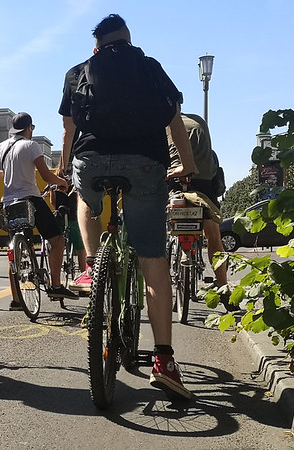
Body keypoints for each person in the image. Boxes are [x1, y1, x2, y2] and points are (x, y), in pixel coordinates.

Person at [58, 14, 198, 401]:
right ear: (130, 39)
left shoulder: (78, 71)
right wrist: (187, 165)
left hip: (91, 160)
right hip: (144, 162)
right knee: (152, 259)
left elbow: (69, 130)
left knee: (87, 202)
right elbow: (175, 122)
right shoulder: (149, 66)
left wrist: (65, 169)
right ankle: (164, 361)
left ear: (96, 45)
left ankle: (90, 265)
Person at [0, 112, 78, 310]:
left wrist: (7, 174)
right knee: (56, 240)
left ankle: (16, 300)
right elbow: (45, 175)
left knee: (14, 249)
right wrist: (62, 182)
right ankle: (56, 285)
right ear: (29, 128)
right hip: (30, 199)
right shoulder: (30, 145)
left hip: (8, 204)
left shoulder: (2, 146)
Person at [167, 113, 232, 308]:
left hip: (174, 180)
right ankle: (223, 286)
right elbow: (211, 158)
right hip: (203, 182)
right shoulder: (198, 122)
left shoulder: (163, 124)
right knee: (213, 236)